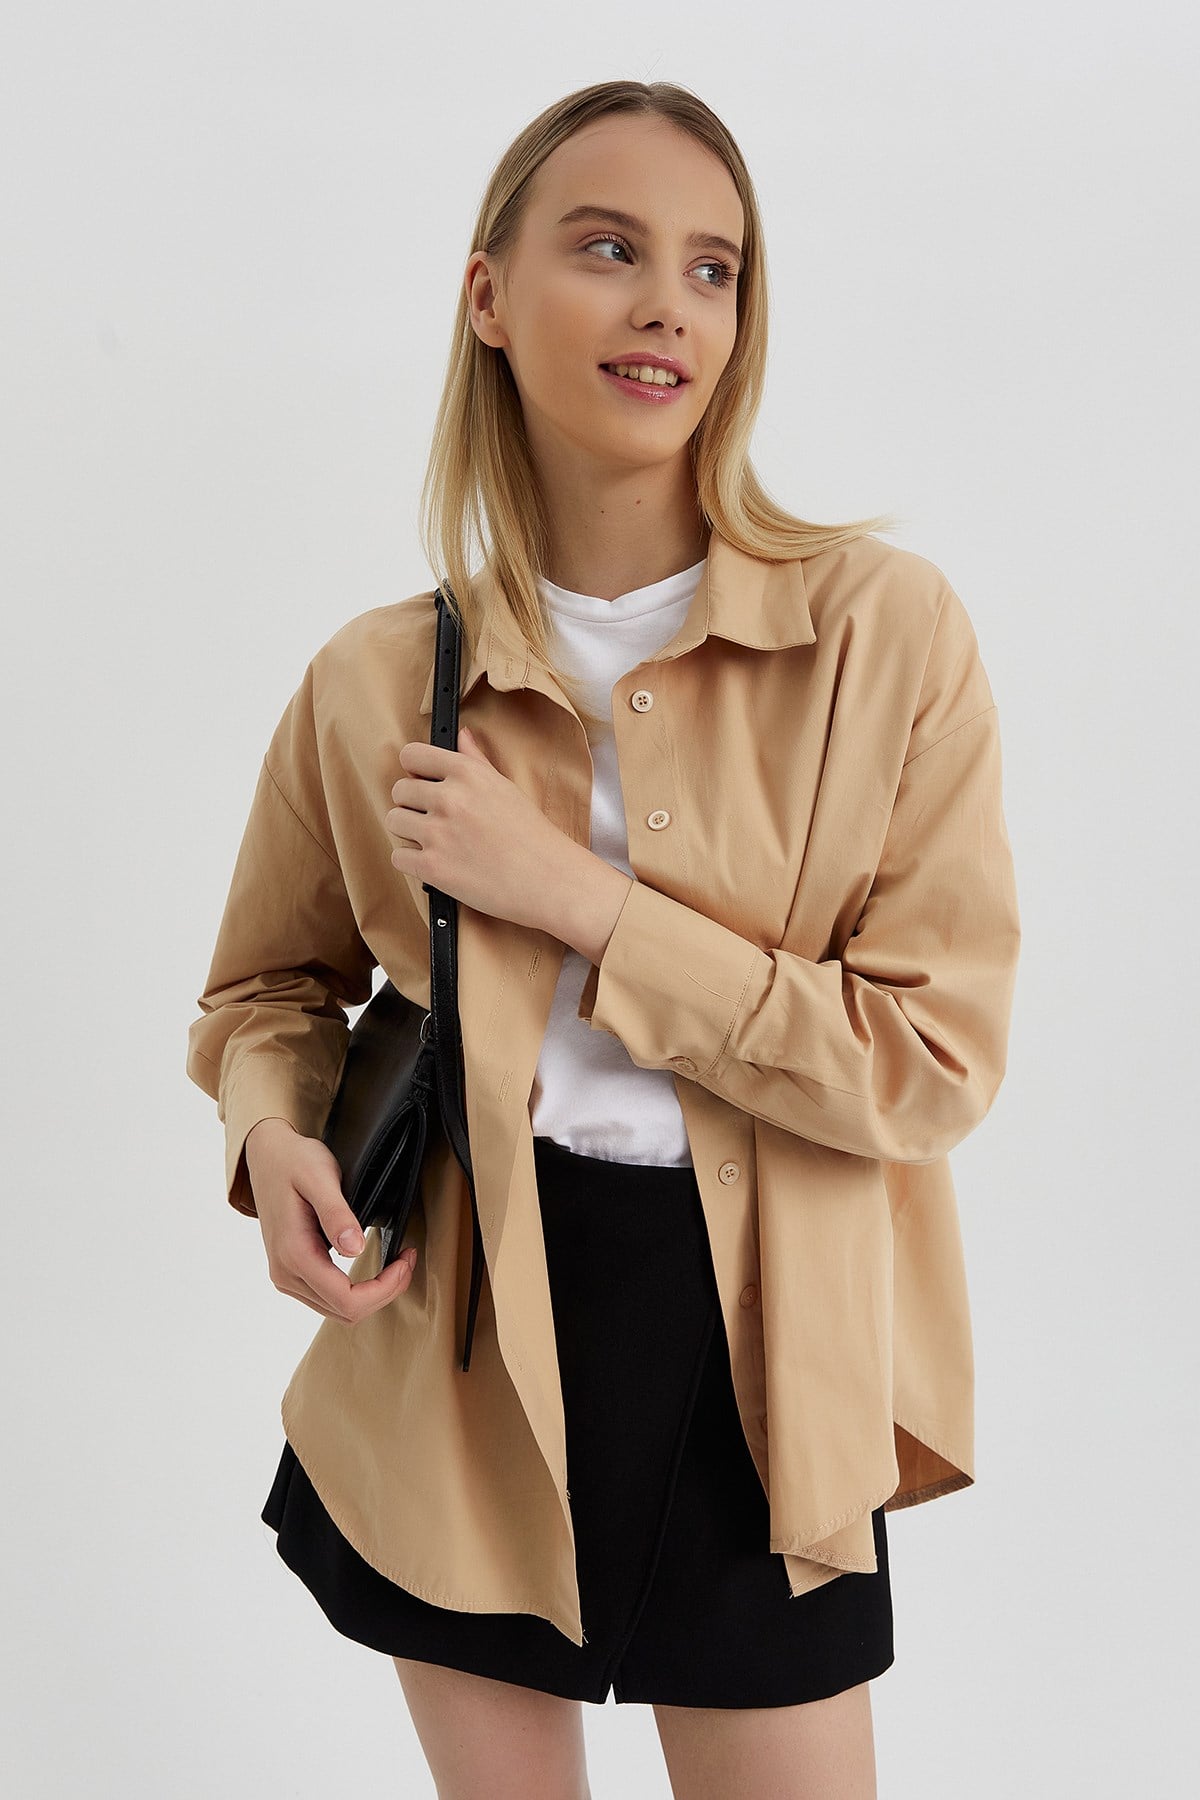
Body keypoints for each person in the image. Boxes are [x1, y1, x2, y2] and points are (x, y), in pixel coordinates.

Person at [186, 79, 1021, 1800]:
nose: (669, 307)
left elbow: (929, 1065)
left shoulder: (884, 636)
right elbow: (268, 986)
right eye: (608, 248)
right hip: (462, 1348)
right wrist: (270, 1134)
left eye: (714, 268)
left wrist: (581, 902)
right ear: (488, 296)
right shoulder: (373, 680)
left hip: (767, 1350)